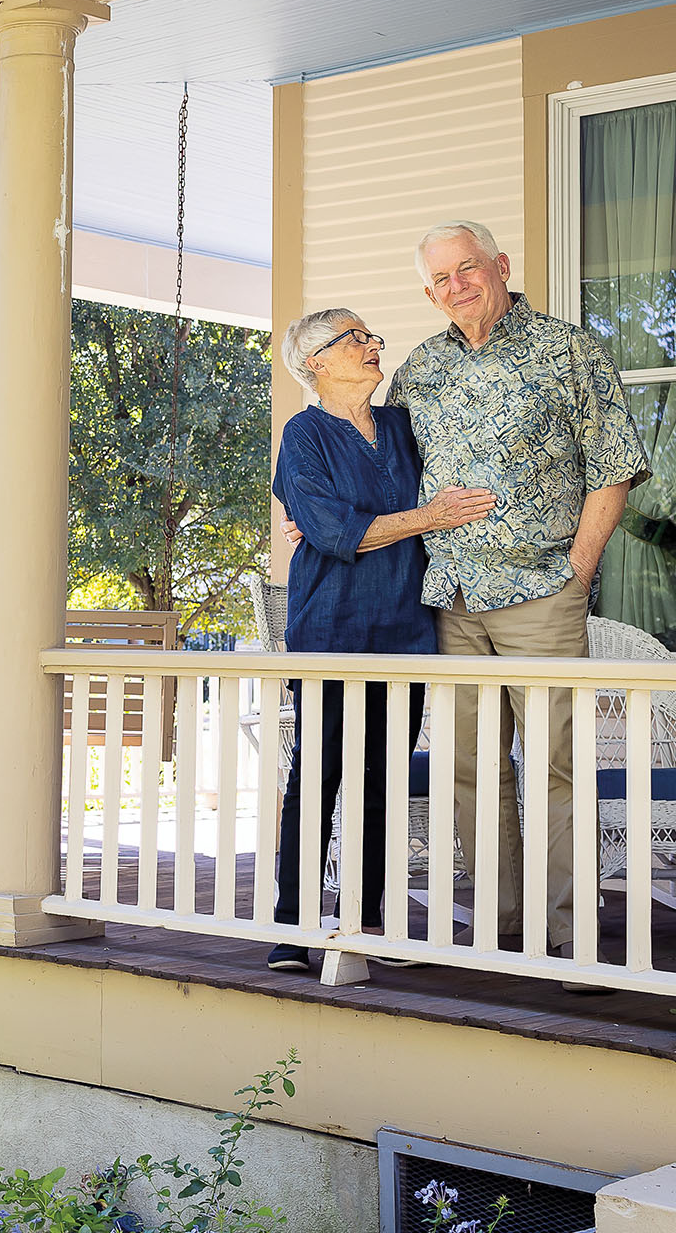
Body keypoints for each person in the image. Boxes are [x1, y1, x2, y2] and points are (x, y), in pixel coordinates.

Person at [386, 221, 648, 981]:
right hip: (451, 595)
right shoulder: (421, 368)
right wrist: (323, 508)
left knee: (559, 764)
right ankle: (500, 924)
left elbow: (613, 465)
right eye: (440, 279)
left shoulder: (567, 351)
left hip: (541, 590)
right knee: (470, 766)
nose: (457, 285)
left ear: (500, 266)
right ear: (428, 294)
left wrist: (579, 567)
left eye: (468, 268)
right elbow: (387, 459)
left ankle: (569, 934)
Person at [264, 308, 495, 973]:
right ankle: (294, 926)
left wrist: (376, 521)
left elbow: (356, 517)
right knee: (321, 774)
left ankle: (367, 922)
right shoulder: (304, 433)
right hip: (333, 628)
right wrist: (422, 517)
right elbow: (338, 532)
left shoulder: (399, 425)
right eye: (354, 339)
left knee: (382, 779)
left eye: (370, 336)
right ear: (318, 364)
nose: (372, 346)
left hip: (404, 629)